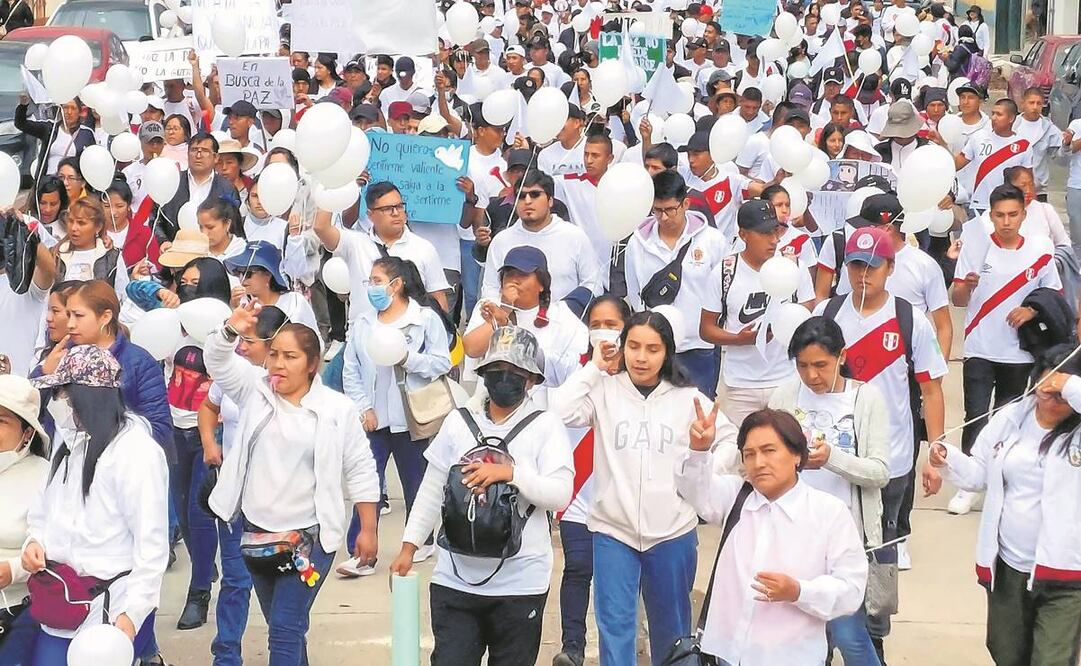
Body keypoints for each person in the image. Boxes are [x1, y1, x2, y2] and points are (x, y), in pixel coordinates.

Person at [550, 310, 739, 666]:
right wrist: (594, 368)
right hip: (612, 531)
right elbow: (559, 410)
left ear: (667, 352)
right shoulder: (605, 390)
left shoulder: (687, 398)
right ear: (621, 348)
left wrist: (704, 466)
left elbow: (729, 439)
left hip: (672, 532)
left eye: (652, 349)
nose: (641, 357)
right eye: (633, 346)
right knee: (615, 629)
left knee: (672, 634)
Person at [205, 303, 379, 665]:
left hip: (309, 541)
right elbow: (218, 362)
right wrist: (229, 329)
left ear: (312, 363)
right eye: (273, 355)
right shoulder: (254, 389)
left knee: (284, 630)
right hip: (257, 536)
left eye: (290, 356)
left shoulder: (338, 409)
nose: (278, 365)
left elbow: (361, 468)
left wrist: (368, 528)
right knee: (287, 628)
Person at [389, 325, 573, 666]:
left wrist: (511, 474)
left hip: (521, 584)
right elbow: (432, 488)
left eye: (516, 372)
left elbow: (560, 494)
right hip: (455, 581)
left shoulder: (546, 426)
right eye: (497, 370)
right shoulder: (458, 422)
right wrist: (409, 546)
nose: (505, 378)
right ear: (484, 374)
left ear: (531, 379)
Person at [814, 225, 947, 660]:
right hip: (834, 454)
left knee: (879, 542)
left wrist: (935, 452)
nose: (863, 275)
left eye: (872, 266)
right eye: (855, 266)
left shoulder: (910, 320)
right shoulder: (829, 313)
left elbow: (930, 389)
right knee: (828, 541)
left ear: (891, 267)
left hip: (890, 458)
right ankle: (825, 631)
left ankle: (874, 632)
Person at [675, 408, 868, 665]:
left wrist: (799, 591)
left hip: (791, 658)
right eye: (749, 454)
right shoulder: (736, 497)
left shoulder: (829, 513)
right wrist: (699, 451)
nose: (759, 463)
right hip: (724, 654)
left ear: (797, 455)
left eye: (769, 451)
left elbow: (851, 588)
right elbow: (694, 489)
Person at [935, 343, 1081, 666]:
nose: (1050, 401)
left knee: (1051, 660)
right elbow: (978, 474)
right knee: (1006, 652)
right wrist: (948, 461)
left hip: (1067, 577)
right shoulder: (1012, 417)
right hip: (1009, 569)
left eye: (1061, 397)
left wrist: (1067, 384)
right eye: (1045, 391)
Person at [23, 345, 169, 664]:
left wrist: (131, 616)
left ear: (86, 397)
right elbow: (43, 509)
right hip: (60, 600)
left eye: (62, 393)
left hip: (111, 606)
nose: (57, 402)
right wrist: (35, 540)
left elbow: (152, 543)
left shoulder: (136, 453)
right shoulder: (70, 439)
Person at [769, 317, 891, 665]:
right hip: (792, 533)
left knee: (849, 635)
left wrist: (832, 459)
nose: (811, 376)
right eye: (803, 366)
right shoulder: (784, 396)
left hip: (844, 537)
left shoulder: (865, 399)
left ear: (842, 357)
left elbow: (880, 471)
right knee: (801, 636)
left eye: (820, 365)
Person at [947, 184, 1061, 515]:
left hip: (1020, 351)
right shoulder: (976, 246)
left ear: (1024, 215)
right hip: (979, 346)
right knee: (976, 415)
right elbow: (957, 299)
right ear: (990, 215)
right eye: (999, 215)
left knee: (1008, 418)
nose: (1006, 221)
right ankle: (968, 484)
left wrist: (1030, 311)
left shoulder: (1040, 249)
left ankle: (1000, 479)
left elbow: (1052, 294)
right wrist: (964, 287)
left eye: (1013, 214)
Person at [337, 256, 452, 576]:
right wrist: (363, 407)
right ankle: (361, 551)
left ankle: (420, 539)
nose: (371, 287)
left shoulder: (425, 319)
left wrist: (407, 358)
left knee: (416, 482)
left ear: (396, 284)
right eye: (370, 282)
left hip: (412, 416)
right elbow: (352, 369)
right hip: (374, 420)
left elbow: (441, 363)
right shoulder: (363, 322)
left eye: (376, 280)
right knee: (366, 483)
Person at [197, 306, 289, 666]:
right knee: (235, 580)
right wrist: (210, 443)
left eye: (249, 341)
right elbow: (208, 406)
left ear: (273, 343)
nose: (242, 347)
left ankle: (288, 651)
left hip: (278, 502)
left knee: (282, 590)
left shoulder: (291, 384)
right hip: (235, 495)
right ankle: (226, 655)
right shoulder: (235, 375)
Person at [162, 257, 233, 631]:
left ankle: (199, 590)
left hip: (210, 431)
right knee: (181, 513)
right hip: (174, 429)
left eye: (194, 283)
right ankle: (205, 565)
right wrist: (159, 290)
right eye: (182, 281)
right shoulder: (172, 324)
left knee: (199, 511)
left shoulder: (226, 330)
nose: (186, 288)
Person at [699, 200, 815, 426]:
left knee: (787, 450)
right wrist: (738, 339)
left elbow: (808, 306)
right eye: (764, 233)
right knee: (736, 452)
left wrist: (790, 323)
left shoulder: (793, 267)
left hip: (786, 380)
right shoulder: (724, 272)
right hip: (738, 384)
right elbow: (706, 329)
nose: (774, 240)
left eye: (776, 231)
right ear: (744, 235)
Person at [625, 171, 728, 398]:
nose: (663, 217)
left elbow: (723, 291)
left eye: (670, 210)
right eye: (657, 210)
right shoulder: (637, 243)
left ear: (686, 204)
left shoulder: (712, 240)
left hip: (699, 346)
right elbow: (635, 293)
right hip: (654, 346)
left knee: (697, 410)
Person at [465, 246, 588, 407]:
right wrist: (503, 312)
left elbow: (576, 367)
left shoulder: (562, 316)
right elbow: (471, 349)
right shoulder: (488, 306)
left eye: (523, 275)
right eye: (509, 274)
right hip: (491, 404)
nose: (514, 280)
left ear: (542, 284)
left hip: (541, 409)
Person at [481, 169, 600, 303]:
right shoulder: (501, 241)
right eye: (521, 196)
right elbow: (490, 289)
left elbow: (592, 285)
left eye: (535, 194)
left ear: (550, 200)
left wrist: (568, 311)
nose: (527, 201)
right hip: (513, 322)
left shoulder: (575, 236)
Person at [0, 376, 51, 663]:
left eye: (1, 420)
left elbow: (54, 546)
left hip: (19, 610)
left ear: (27, 432)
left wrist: (14, 569)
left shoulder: (44, 476)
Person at [952, 98, 1032, 215]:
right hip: (979, 206)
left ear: (1011, 118)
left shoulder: (1023, 145)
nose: (993, 118)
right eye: (993, 114)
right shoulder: (978, 137)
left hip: (1007, 208)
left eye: (999, 114)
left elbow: (1028, 181)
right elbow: (956, 164)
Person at [156, 133, 240, 244]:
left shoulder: (227, 188)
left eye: (204, 151)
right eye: (194, 150)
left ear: (215, 157)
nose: (198, 155)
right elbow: (156, 218)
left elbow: (234, 225)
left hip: (213, 254)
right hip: (175, 250)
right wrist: (163, 241)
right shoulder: (172, 181)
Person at [224, 240, 316, 327]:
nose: (242, 279)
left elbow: (314, 336)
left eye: (248, 273)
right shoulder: (241, 303)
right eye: (238, 272)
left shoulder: (294, 301)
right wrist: (234, 309)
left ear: (268, 274)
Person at [52, 198, 128, 295]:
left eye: (81, 223)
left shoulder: (112, 257)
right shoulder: (55, 254)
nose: (74, 228)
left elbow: (122, 296)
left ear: (98, 227)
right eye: (71, 221)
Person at [16, 96, 95, 178]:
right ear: (60, 110)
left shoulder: (86, 133)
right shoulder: (50, 128)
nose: (69, 112)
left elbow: (92, 162)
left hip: (72, 184)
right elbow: (21, 124)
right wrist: (23, 106)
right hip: (49, 183)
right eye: (65, 108)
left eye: (73, 108)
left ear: (79, 112)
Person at [104, 177, 161, 271]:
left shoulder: (143, 233)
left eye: (119, 206)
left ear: (129, 206)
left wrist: (145, 270)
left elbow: (158, 269)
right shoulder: (94, 232)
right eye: (107, 206)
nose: (113, 212)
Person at [198, 198, 248, 262]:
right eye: (201, 227)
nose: (204, 233)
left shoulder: (242, 251)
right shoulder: (196, 251)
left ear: (227, 224)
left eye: (210, 227)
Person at [1060, 115, 1081, 259]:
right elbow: (1064, 154)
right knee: (1076, 225)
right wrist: (1067, 143)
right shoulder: (1077, 124)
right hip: (1077, 183)